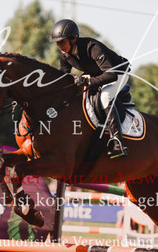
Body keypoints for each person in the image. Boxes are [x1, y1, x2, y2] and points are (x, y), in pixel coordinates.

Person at [50, 19, 130, 159]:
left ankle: (118, 142)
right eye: (57, 42)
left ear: (73, 38)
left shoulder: (92, 47)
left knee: (105, 97)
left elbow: (111, 74)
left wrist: (87, 81)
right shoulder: (65, 56)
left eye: (62, 42)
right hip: (97, 73)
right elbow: (63, 79)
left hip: (119, 72)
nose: (59, 46)